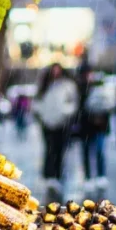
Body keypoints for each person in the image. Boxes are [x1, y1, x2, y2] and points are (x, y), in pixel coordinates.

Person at [32, 63, 80, 202]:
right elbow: (37, 102)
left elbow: (73, 103)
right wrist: (42, 113)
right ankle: (48, 176)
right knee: (49, 149)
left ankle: (57, 176)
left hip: (62, 123)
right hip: (47, 123)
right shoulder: (45, 85)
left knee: (59, 150)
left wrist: (65, 112)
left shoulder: (68, 86)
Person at [75, 58, 111, 195]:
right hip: (86, 127)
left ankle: (100, 176)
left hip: (99, 126)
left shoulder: (98, 86)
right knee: (86, 152)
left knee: (99, 151)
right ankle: (89, 177)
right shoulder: (79, 89)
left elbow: (106, 104)